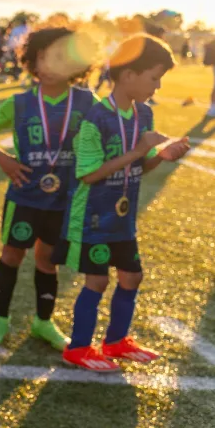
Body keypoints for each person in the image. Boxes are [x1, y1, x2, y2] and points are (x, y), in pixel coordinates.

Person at [55, 35, 190, 371]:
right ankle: (79, 348)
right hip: (94, 218)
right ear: (129, 74)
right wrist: (139, 150)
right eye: (154, 78)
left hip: (122, 218)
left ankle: (115, 341)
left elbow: (139, 167)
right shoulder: (95, 117)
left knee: (132, 277)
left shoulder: (144, 115)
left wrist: (163, 155)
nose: (157, 86)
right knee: (97, 281)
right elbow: (89, 175)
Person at [0, 28, 95, 351]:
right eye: (44, 56)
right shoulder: (21, 103)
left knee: (47, 260)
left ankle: (43, 321)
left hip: (62, 200)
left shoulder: (86, 102)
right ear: (32, 62)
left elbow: (106, 135)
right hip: (25, 197)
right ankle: (0, 318)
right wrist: (5, 162)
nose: (52, 64)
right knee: (12, 254)